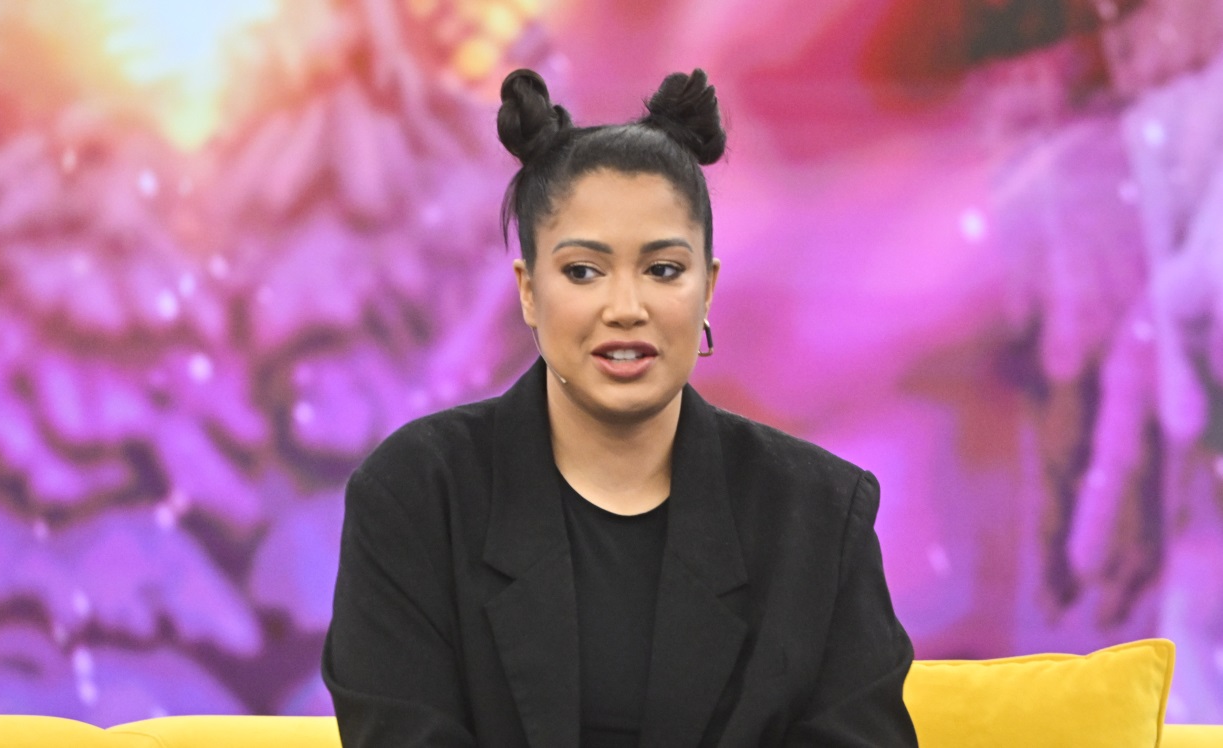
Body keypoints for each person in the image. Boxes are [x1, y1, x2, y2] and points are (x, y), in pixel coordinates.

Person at [322, 67, 918, 748]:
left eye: (663, 270)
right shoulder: (416, 496)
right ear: (528, 290)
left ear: (707, 287)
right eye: (583, 271)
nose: (626, 308)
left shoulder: (817, 514)